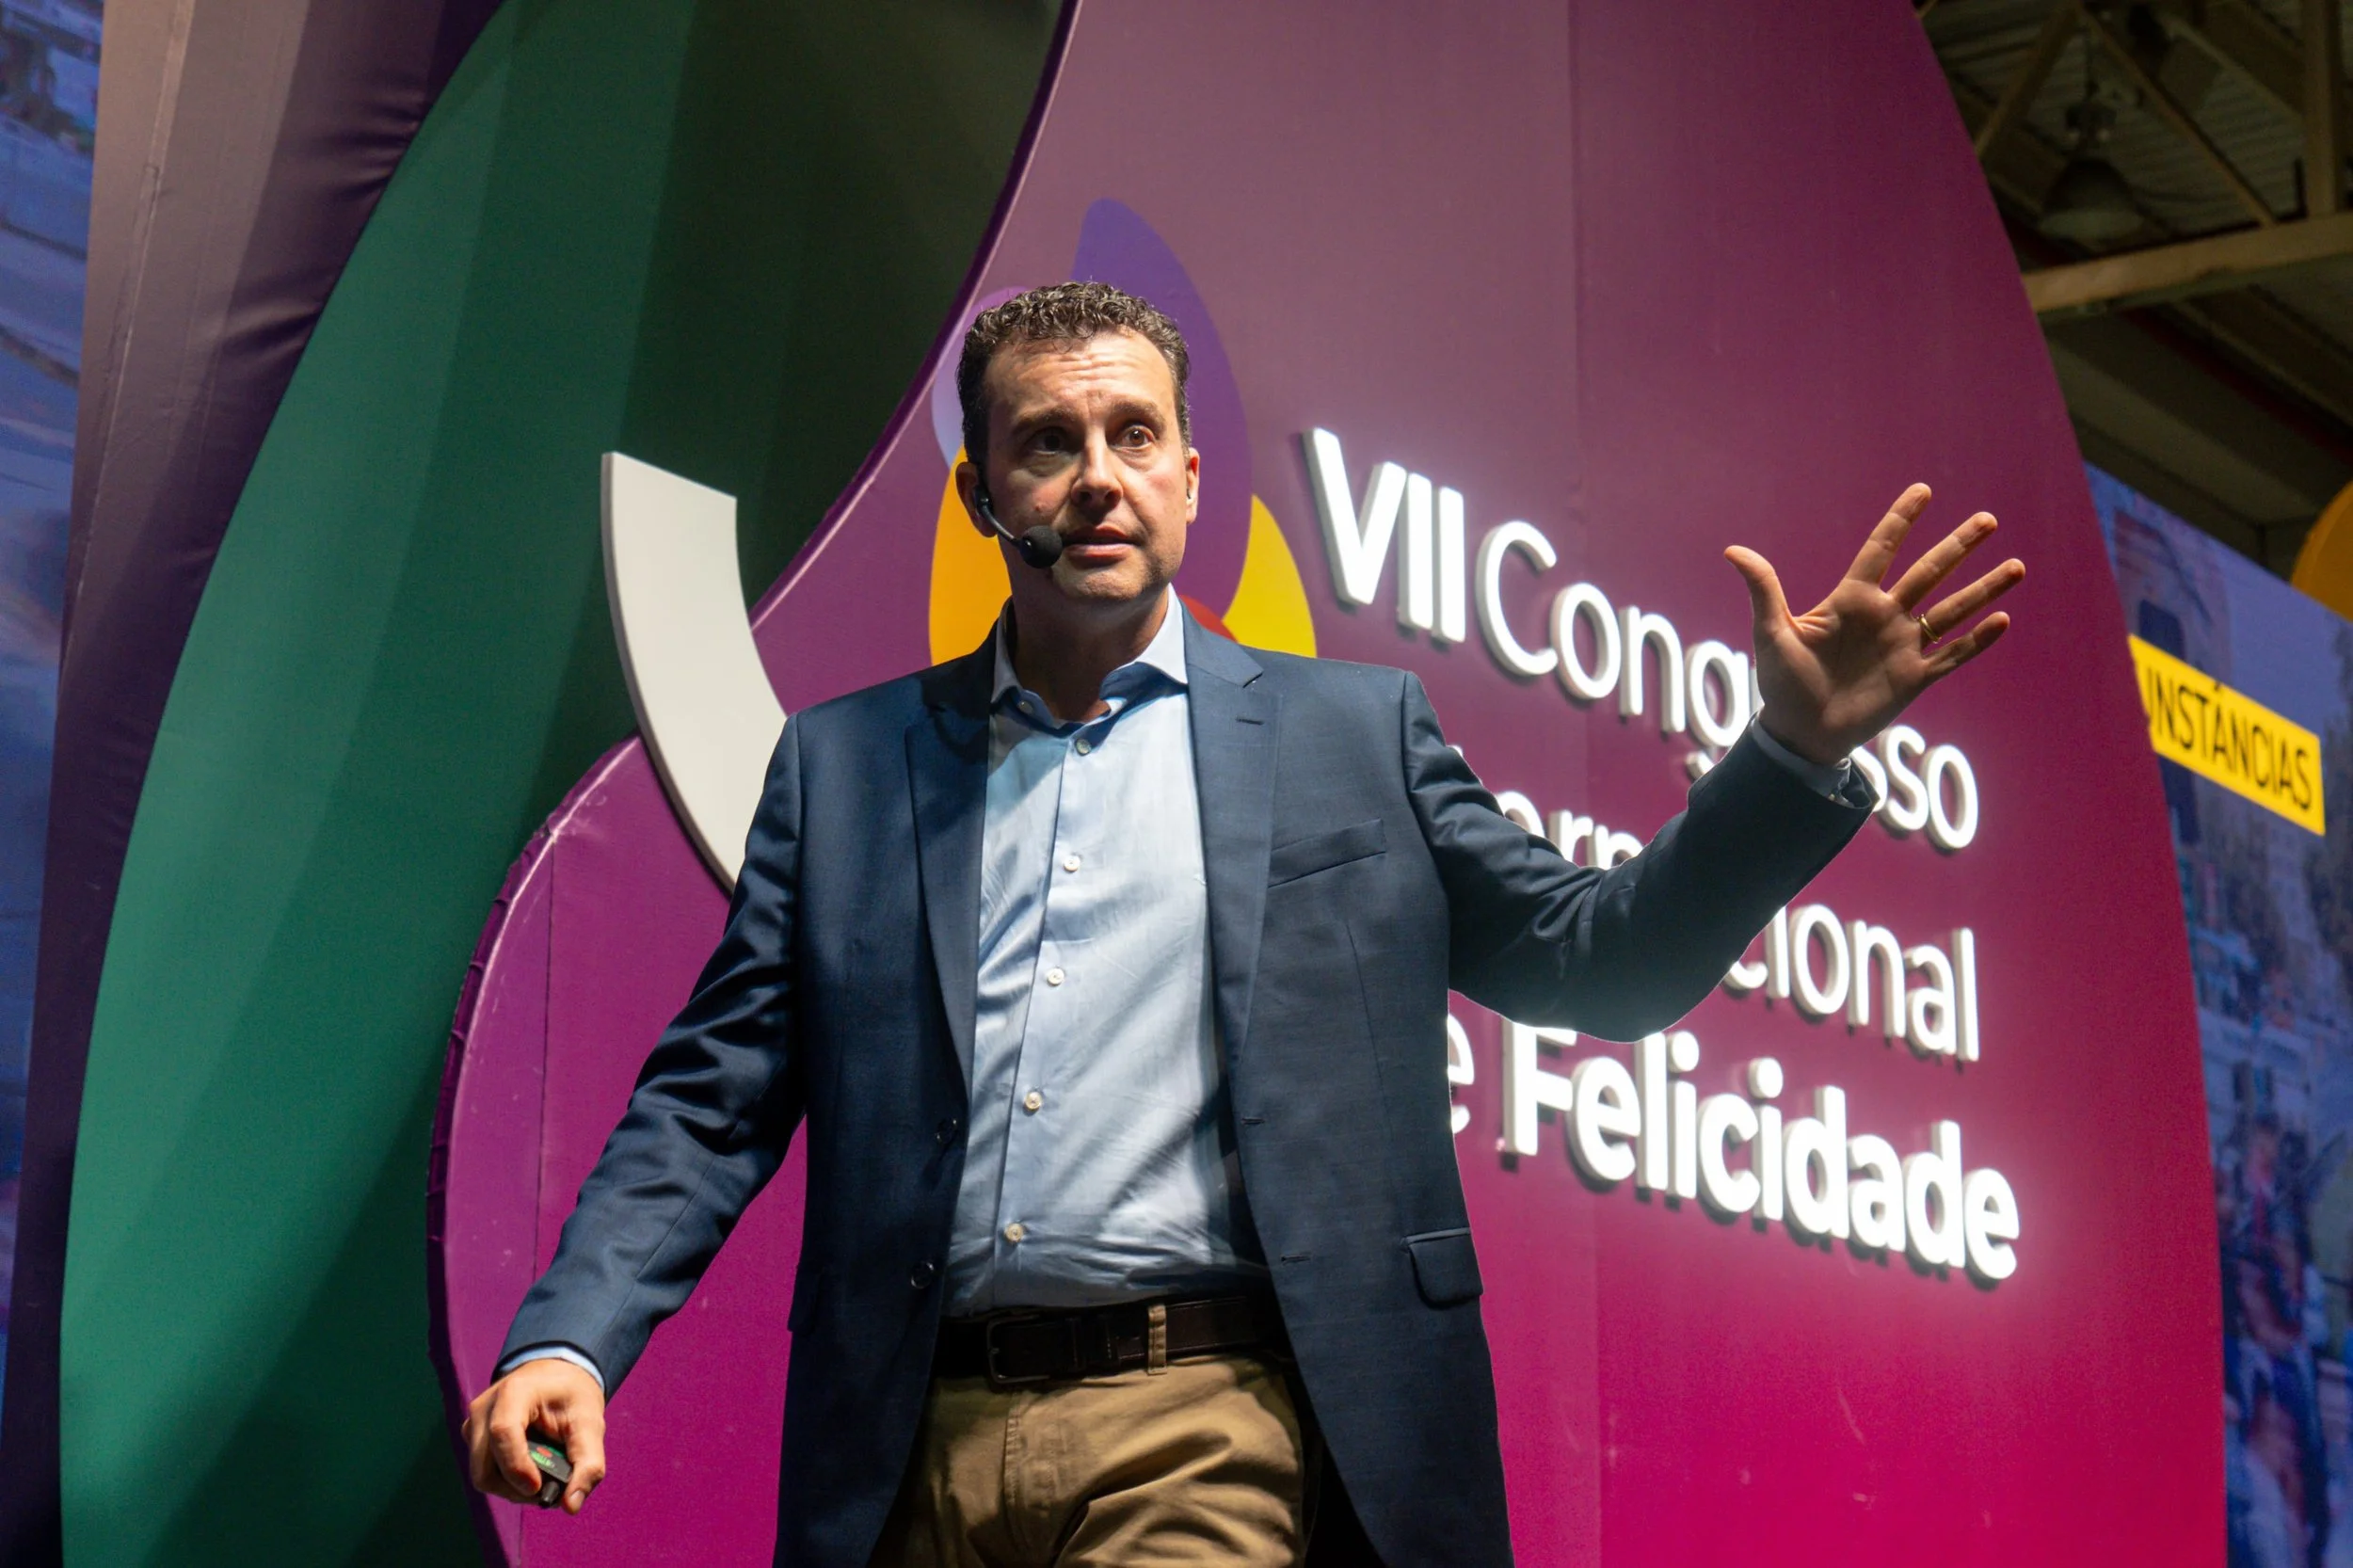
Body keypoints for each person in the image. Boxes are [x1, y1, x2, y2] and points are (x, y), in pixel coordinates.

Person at [462, 282, 2024, 1566]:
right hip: (902, 1447)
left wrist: (1792, 757)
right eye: (1047, 440)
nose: (1097, 475)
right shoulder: (845, 767)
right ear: (979, 490)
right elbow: (710, 1100)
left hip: (1211, 1422)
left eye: (1136, 434)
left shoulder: (1359, 735)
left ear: (1192, 480)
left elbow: (1600, 963)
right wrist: (570, 1341)